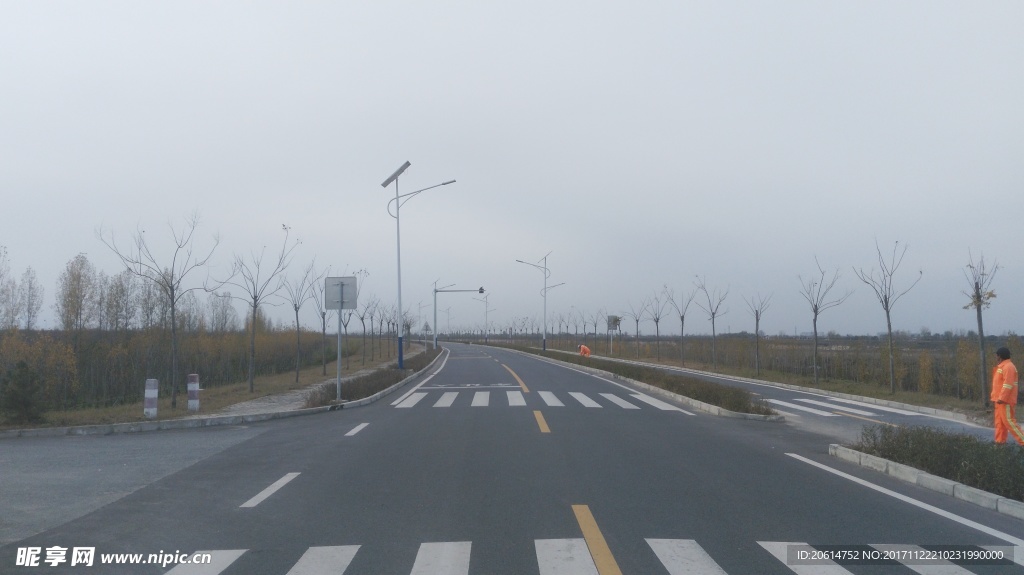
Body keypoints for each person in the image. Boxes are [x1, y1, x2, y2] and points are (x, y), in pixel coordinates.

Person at [991, 346, 1023, 446]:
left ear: (999, 356)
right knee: (1000, 424)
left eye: (996, 355)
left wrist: (1002, 398)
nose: (996, 357)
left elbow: (1007, 384)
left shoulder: (1009, 367)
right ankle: (1000, 444)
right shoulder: (1003, 366)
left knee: (1010, 423)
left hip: (1005, 401)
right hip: (999, 401)